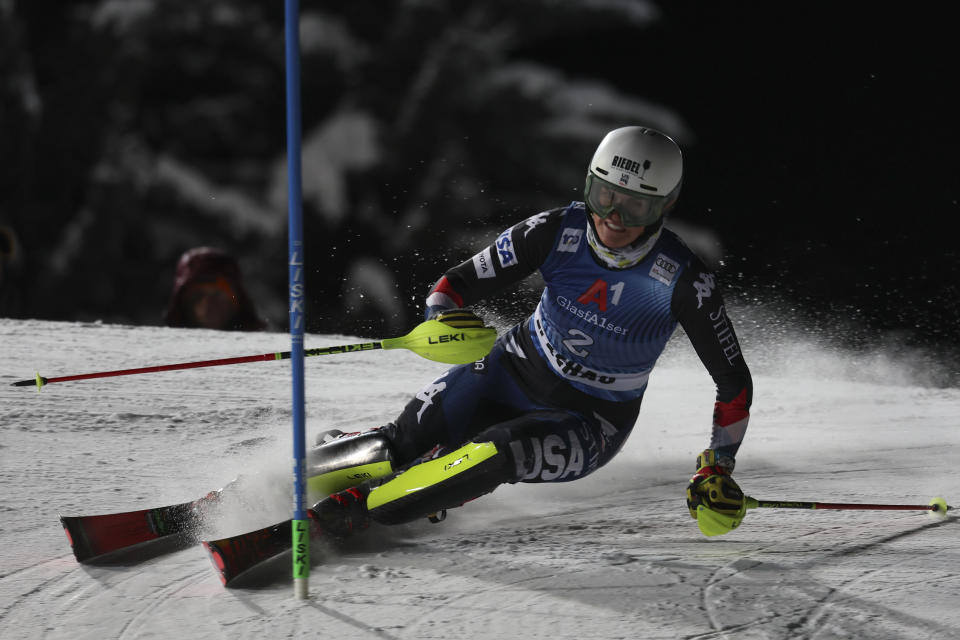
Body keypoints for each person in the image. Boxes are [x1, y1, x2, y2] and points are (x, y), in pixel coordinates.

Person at [302, 126, 753, 539]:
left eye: (636, 205)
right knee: (397, 443)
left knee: (498, 452)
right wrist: (440, 319)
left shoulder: (683, 281)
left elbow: (733, 384)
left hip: (591, 420)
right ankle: (295, 478)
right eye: (604, 195)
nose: (613, 217)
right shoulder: (556, 230)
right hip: (511, 365)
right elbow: (453, 285)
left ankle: (366, 509)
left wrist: (718, 464)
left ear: (665, 205)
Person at [164, 247, 266, 331]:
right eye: (197, 296)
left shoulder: (262, 347)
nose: (208, 304)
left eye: (218, 295)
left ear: (237, 301)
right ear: (182, 303)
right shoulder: (163, 347)